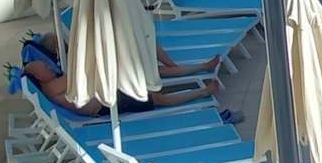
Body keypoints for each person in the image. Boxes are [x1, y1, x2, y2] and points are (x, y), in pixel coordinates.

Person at [21, 32, 219, 116]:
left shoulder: (54, 82)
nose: (50, 68)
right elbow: (84, 72)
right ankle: (203, 91)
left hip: (107, 94)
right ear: (38, 76)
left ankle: (203, 67)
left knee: (151, 72)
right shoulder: (53, 86)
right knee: (158, 99)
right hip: (107, 104)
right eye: (45, 68)